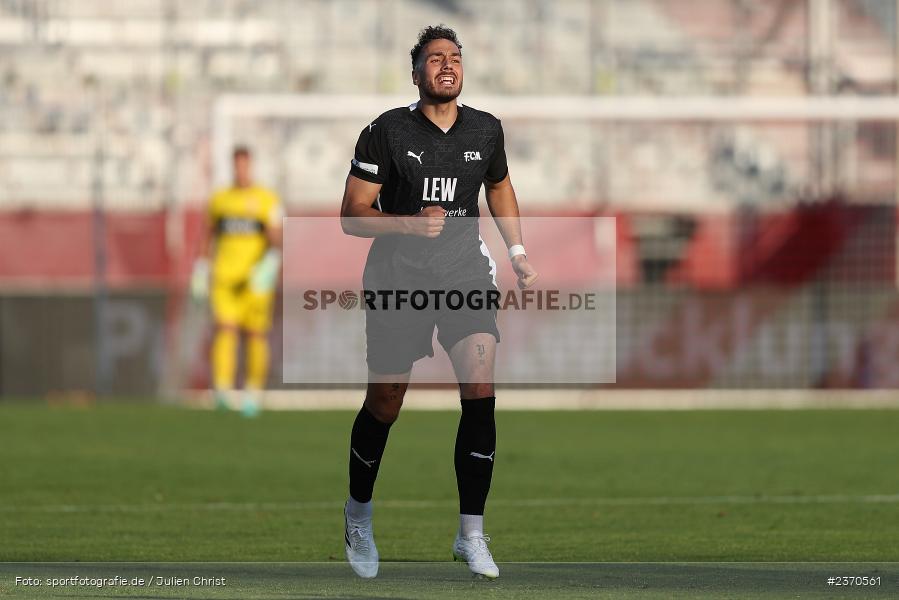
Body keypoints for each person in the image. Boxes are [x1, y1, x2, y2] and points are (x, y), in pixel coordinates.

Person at [338, 25, 538, 579]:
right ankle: (358, 515)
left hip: (464, 275)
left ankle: (471, 533)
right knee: (385, 403)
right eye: (434, 59)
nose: (446, 65)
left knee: (479, 389)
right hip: (396, 279)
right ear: (416, 72)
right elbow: (352, 213)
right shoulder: (384, 132)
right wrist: (406, 224)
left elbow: (498, 184)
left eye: (454, 57)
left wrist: (516, 248)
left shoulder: (486, 128)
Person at [192, 146, 283, 417]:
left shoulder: (267, 199)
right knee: (225, 329)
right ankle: (222, 390)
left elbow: (276, 237)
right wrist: (201, 266)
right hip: (224, 277)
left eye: (245, 165)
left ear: (251, 166)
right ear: (233, 166)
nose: (241, 170)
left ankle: (253, 393)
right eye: (237, 165)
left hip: (255, 279)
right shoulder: (220, 200)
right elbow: (207, 235)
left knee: (255, 334)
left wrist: (269, 264)